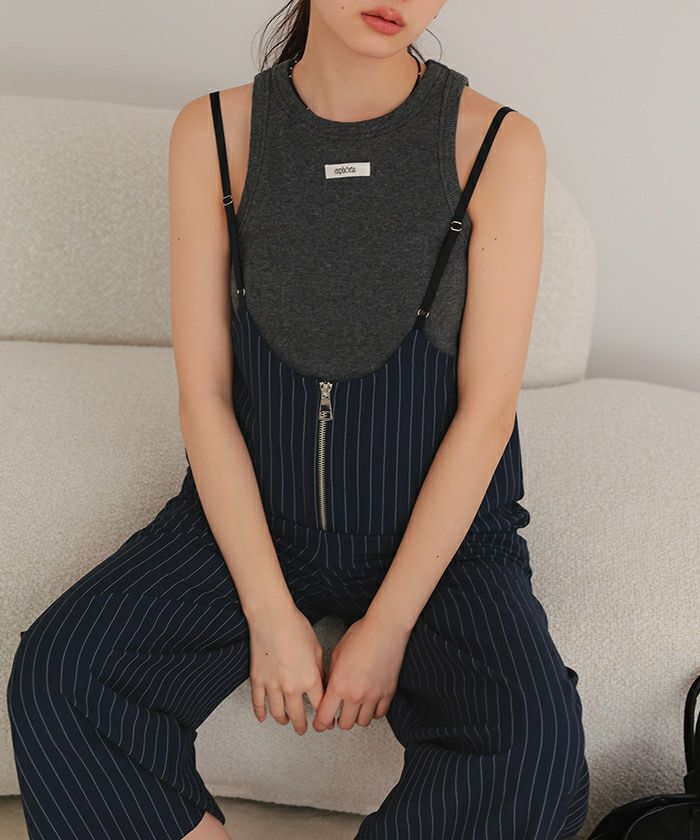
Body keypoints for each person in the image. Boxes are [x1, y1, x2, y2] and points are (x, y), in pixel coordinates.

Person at [6, 1, 590, 838]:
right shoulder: (215, 132)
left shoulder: (498, 144)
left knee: (536, 747)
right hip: (254, 515)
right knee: (60, 675)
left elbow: (487, 412)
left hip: (445, 542)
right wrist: (269, 611)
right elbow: (205, 395)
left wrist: (389, 625)